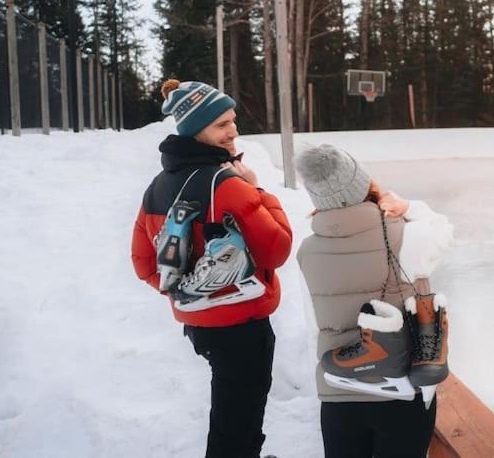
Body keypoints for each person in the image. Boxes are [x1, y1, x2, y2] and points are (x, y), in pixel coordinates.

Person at [131, 79, 293, 458]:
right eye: (221, 125)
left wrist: (188, 290)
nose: (233, 130)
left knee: (233, 408)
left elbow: (142, 262)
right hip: (242, 326)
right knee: (238, 417)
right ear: (195, 130)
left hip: (198, 324)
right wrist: (259, 191)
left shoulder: (157, 187)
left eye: (233, 120)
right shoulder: (229, 185)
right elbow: (277, 249)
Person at [295, 144, 453, 458]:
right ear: (364, 184)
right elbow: (444, 231)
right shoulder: (407, 235)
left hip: (340, 392)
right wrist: (407, 207)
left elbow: (313, 324)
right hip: (403, 395)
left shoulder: (307, 250)